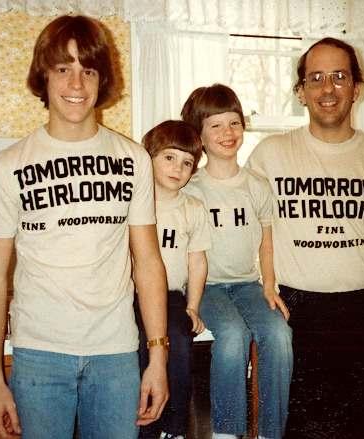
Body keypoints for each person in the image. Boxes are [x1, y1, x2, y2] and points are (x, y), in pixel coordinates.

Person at [0, 15, 169, 439]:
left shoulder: (133, 159)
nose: (76, 84)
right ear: (43, 76)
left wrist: (158, 358)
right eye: (63, 68)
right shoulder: (9, 166)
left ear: (102, 80)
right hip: (39, 356)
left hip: (116, 354)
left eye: (89, 70)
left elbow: (149, 263)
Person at [247, 37, 364, 438]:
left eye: (340, 77)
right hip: (296, 314)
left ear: (356, 88)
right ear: (301, 92)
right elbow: (242, 234)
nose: (328, 89)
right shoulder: (268, 156)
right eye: (317, 78)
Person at [181, 84, 293, 439]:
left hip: (247, 285)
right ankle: (226, 433)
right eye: (215, 125)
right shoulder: (190, 187)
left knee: (279, 333)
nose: (227, 132)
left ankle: (269, 433)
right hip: (206, 287)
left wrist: (269, 285)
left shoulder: (257, 185)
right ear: (199, 135)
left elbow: (266, 242)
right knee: (232, 334)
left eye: (234, 123)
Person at [135, 120, 211, 439]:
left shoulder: (192, 208)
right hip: (132, 295)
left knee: (178, 340)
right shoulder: (133, 203)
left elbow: (197, 261)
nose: (177, 168)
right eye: (169, 157)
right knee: (138, 344)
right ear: (148, 157)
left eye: (187, 163)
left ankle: (174, 428)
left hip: (171, 297)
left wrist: (193, 306)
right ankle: (143, 427)